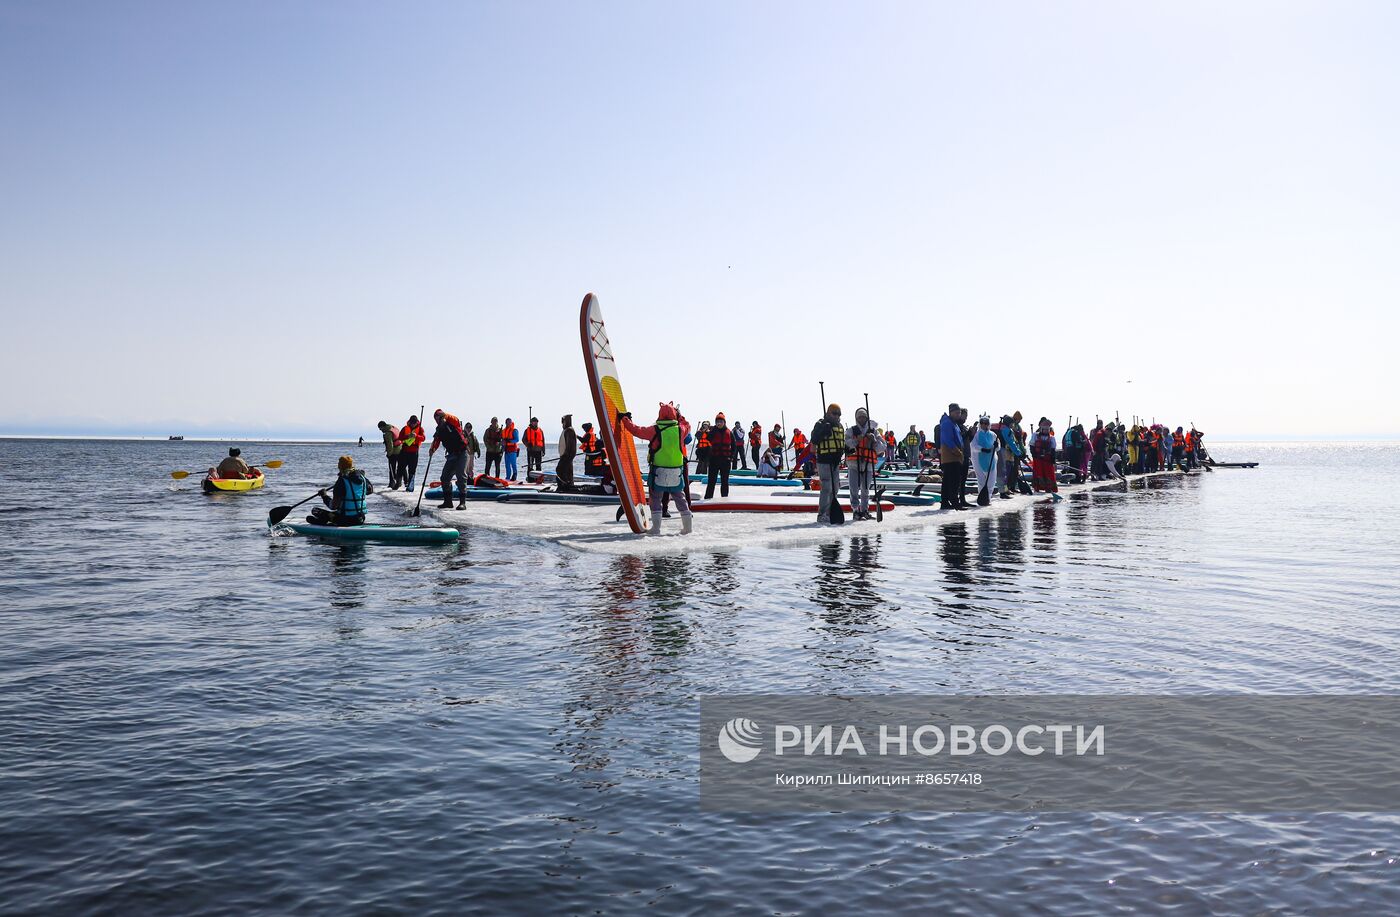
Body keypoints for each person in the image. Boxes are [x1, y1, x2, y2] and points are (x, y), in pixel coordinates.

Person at [621, 403, 693, 535]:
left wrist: (625, 420)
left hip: (658, 471)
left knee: (655, 499)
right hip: (676, 472)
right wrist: (680, 416)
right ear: (674, 415)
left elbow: (636, 430)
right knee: (680, 498)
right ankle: (687, 528)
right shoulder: (681, 430)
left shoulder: (654, 429)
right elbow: (687, 425)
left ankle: (656, 529)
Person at [308, 455, 373, 526]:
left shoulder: (341, 481)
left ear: (340, 467)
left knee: (315, 511)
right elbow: (370, 491)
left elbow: (333, 506)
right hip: (360, 518)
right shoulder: (363, 478)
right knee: (339, 512)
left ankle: (323, 524)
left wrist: (324, 496)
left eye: (338, 464)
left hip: (345, 520)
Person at [811, 403, 845, 524]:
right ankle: (822, 514)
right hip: (824, 460)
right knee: (826, 487)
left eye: (838, 414)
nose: (836, 416)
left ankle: (830, 511)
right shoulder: (820, 424)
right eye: (834, 413)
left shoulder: (839, 426)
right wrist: (823, 432)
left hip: (835, 462)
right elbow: (814, 441)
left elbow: (841, 442)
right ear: (828, 413)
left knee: (835, 488)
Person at [430, 409, 471, 510]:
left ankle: (462, 503)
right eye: (436, 419)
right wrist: (432, 449)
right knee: (444, 478)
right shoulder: (439, 429)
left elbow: (454, 419)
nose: (437, 421)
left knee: (461, 476)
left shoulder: (453, 422)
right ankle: (448, 502)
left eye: (439, 418)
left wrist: (444, 415)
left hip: (462, 453)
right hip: (452, 455)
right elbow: (436, 441)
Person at [846, 407, 880, 520]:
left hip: (868, 464)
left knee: (865, 488)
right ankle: (856, 510)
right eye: (859, 417)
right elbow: (845, 444)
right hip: (854, 464)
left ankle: (865, 510)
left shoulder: (873, 431)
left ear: (867, 418)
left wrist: (874, 440)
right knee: (854, 488)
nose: (861, 419)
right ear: (856, 418)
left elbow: (882, 447)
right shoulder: (851, 430)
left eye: (864, 417)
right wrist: (857, 440)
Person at [938, 403, 969, 510]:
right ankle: (955, 502)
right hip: (951, 455)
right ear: (951, 412)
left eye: (959, 413)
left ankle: (945, 502)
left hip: (954, 455)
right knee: (954, 481)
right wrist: (957, 452)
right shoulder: (947, 423)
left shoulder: (953, 423)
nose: (958, 415)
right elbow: (948, 440)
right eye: (956, 413)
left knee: (947, 480)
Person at [969, 415, 1000, 506]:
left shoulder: (993, 434)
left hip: (992, 460)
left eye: (986, 423)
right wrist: (982, 449)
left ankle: (988, 498)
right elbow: (973, 446)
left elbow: (998, 447)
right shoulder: (977, 434)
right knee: (982, 481)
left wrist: (996, 446)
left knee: (991, 481)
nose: (984, 425)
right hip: (978, 460)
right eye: (982, 423)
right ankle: (981, 496)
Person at [706, 412, 734, 498]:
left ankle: (724, 498)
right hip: (714, 459)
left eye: (721, 422)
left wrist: (731, 457)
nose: (719, 423)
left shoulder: (729, 432)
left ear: (724, 422)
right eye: (717, 422)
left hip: (725, 460)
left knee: (725, 481)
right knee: (711, 481)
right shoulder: (713, 431)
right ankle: (708, 498)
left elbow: (734, 446)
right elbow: (707, 439)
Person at [396, 415, 425, 491]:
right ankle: (398, 483)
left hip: (414, 452)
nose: (412, 424)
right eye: (411, 423)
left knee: (412, 470)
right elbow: (400, 438)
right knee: (400, 468)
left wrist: (416, 436)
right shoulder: (405, 428)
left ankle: (410, 486)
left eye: (414, 423)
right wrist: (407, 436)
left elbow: (423, 438)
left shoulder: (420, 429)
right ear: (409, 422)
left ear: (417, 422)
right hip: (404, 451)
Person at [1030, 417, 1059, 493]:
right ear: (1041, 429)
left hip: (1047, 459)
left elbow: (1053, 449)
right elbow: (1032, 446)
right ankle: (1037, 487)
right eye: (1045, 429)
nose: (1046, 431)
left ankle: (1050, 488)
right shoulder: (1035, 436)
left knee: (1049, 473)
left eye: (1047, 429)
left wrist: (1053, 459)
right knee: (1038, 473)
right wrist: (1034, 454)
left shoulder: (1052, 438)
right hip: (1038, 459)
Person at [377, 420, 402, 489]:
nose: (380, 430)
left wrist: (389, 454)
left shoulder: (388, 433)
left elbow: (390, 445)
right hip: (400, 450)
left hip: (393, 452)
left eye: (380, 428)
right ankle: (404, 482)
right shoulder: (392, 427)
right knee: (400, 468)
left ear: (382, 427)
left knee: (392, 468)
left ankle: (392, 483)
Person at [556, 415, 578, 490]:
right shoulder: (567, 430)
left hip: (567, 455)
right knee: (567, 471)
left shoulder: (569, 431)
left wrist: (566, 455)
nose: (562, 424)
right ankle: (569, 485)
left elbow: (570, 445)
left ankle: (566, 485)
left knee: (560, 470)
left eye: (563, 422)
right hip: (565, 455)